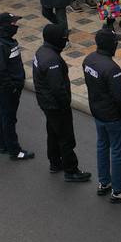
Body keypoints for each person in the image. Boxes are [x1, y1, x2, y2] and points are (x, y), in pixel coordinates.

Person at [79, 26, 121, 201]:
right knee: (118, 152)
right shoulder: (112, 69)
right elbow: (120, 97)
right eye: (116, 42)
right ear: (111, 45)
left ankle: (104, 182)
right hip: (114, 117)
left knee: (102, 146)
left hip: (98, 112)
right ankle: (118, 190)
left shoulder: (88, 60)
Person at [32, 23, 92, 182]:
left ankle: (55, 162)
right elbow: (58, 88)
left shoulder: (41, 52)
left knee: (53, 132)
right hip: (56, 106)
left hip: (47, 103)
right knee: (66, 137)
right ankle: (71, 170)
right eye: (64, 37)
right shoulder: (52, 60)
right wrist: (65, 104)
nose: (66, 40)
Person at [0, 13, 35, 160]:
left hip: (8, 87)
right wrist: (13, 87)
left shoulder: (5, 40)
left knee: (4, 115)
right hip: (7, 89)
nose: (16, 26)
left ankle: (4, 145)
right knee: (9, 118)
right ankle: (15, 150)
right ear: (6, 26)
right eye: (13, 23)